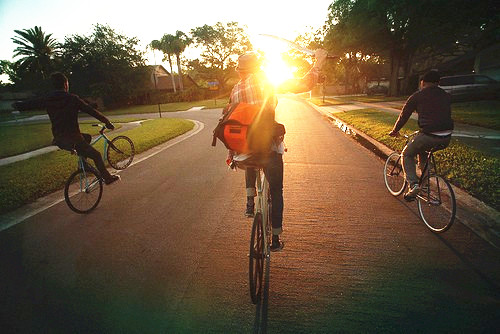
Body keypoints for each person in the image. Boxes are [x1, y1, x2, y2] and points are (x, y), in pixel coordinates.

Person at [228, 49, 327, 251]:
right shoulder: (267, 82)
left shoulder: (235, 90)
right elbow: (303, 83)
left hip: (243, 154)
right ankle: (274, 238)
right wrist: (318, 63)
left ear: (240, 72)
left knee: (250, 146)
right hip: (268, 148)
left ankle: (249, 201)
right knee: (276, 189)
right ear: (258, 68)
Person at [12, 72, 120, 185]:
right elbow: (91, 111)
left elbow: (30, 104)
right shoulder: (72, 98)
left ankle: (83, 163)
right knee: (97, 155)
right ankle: (107, 178)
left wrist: (18, 105)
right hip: (74, 139)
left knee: (87, 137)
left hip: (59, 139)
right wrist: (107, 122)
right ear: (65, 84)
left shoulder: (48, 98)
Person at [388, 70, 453, 201]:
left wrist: (395, 130)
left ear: (422, 82)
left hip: (429, 134)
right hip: (446, 137)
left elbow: (404, 116)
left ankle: (413, 185)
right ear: (438, 83)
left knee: (407, 154)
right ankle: (425, 184)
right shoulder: (446, 95)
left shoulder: (417, 96)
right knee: (422, 151)